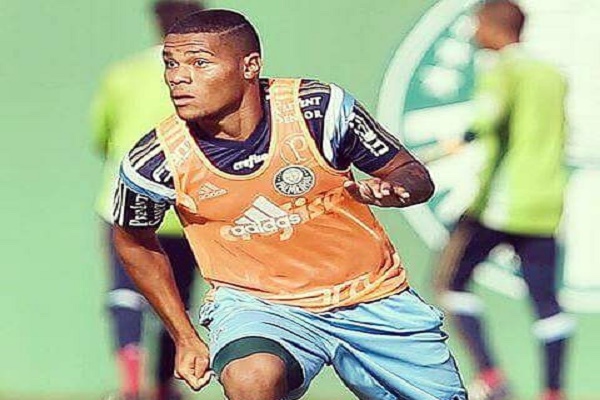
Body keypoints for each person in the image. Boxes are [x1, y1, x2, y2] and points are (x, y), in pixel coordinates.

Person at [112, 9, 467, 400]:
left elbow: (410, 172)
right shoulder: (156, 160)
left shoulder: (320, 111)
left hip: (371, 295)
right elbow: (132, 241)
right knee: (251, 377)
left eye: (199, 63)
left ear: (250, 66)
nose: (178, 77)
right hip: (260, 306)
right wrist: (184, 335)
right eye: (171, 64)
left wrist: (399, 189)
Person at [433, 2, 574, 400]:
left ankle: (491, 377)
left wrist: (459, 140)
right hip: (546, 206)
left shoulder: (503, 70)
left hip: (502, 204)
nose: (474, 34)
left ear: (493, 28)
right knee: (547, 303)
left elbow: (487, 118)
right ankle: (554, 392)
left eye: (477, 25)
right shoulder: (552, 74)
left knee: (449, 284)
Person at [92, 2, 204, 399]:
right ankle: (163, 387)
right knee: (176, 301)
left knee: (125, 291)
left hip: (124, 204)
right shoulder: (207, 79)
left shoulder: (123, 76)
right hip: (186, 208)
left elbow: (100, 138)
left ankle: (130, 386)